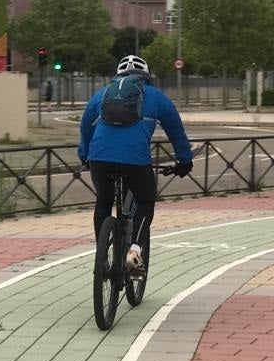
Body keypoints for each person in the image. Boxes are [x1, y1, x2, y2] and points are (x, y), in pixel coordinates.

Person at [78, 54, 193, 276]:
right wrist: (184, 161)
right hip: (135, 160)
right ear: (146, 76)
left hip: (99, 158)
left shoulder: (101, 95)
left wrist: (84, 155)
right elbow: (176, 130)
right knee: (145, 200)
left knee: (104, 200)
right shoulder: (155, 96)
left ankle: (101, 258)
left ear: (118, 76)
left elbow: (85, 128)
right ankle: (134, 257)